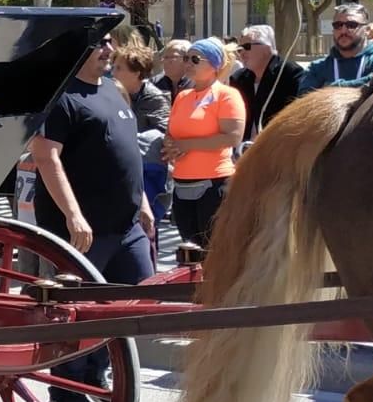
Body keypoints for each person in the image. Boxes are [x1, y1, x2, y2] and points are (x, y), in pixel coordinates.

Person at [28, 32, 155, 402]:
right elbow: (46, 158)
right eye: (99, 43)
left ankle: (95, 375)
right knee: (78, 310)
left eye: (109, 42)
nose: (108, 49)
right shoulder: (61, 97)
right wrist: (73, 214)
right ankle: (66, 389)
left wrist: (144, 205)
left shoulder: (115, 90)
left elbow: (127, 151)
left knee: (133, 299)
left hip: (126, 223)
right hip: (84, 229)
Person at [164, 38, 246, 249]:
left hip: (214, 183)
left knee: (213, 249)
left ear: (214, 65)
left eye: (194, 59)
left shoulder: (227, 95)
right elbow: (172, 133)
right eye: (186, 58)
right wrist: (170, 145)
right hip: (182, 183)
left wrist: (186, 146)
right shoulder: (182, 96)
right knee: (190, 249)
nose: (188, 63)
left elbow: (232, 137)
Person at [110, 43, 170, 237]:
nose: (113, 71)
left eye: (119, 68)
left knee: (146, 228)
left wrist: (126, 140)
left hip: (149, 173)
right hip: (125, 168)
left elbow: (163, 134)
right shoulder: (113, 93)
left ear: (137, 73)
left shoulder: (154, 98)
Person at [297, 2, 373, 94]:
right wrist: (365, 83)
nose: (343, 31)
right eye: (338, 25)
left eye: (351, 25)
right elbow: (304, 101)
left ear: (367, 30)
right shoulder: (317, 67)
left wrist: (329, 88)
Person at [229, 24, 304, 142]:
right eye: (240, 49)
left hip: (277, 147)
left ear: (266, 48)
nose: (242, 53)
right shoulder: (238, 79)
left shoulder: (290, 74)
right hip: (243, 151)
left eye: (247, 47)